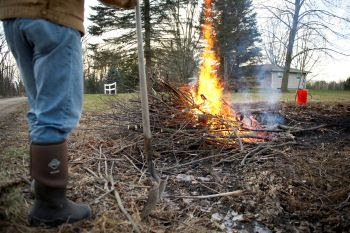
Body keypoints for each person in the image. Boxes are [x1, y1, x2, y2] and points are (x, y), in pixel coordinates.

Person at [0, 0, 137, 227]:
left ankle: (42, 186)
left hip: (13, 16)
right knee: (56, 112)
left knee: (40, 108)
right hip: (52, 14)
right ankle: (51, 204)